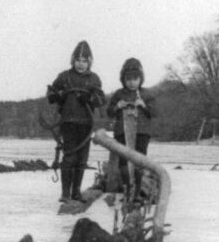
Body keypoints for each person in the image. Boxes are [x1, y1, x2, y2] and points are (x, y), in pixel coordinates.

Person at [46, 41, 105, 202]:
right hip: (68, 122)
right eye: (78, 60)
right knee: (69, 157)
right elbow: (51, 93)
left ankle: (76, 192)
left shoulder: (94, 79)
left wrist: (90, 98)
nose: (81, 64)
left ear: (89, 62)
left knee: (82, 158)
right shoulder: (64, 76)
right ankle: (65, 194)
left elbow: (101, 100)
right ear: (73, 60)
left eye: (84, 61)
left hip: (86, 124)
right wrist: (58, 95)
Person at [106, 57, 157, 198]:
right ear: (123, 79)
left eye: (135, 79)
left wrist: (144, 105)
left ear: (140, 79)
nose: (132, 82)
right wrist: (117, 106)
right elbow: (109, 112)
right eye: (128, 79)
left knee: (139, 161)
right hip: (122, 132)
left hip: (142, 132)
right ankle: (128, 190)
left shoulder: (146, 94)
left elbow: (155, 112)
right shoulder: (119, 94)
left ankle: (136, 193)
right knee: (124, 161)